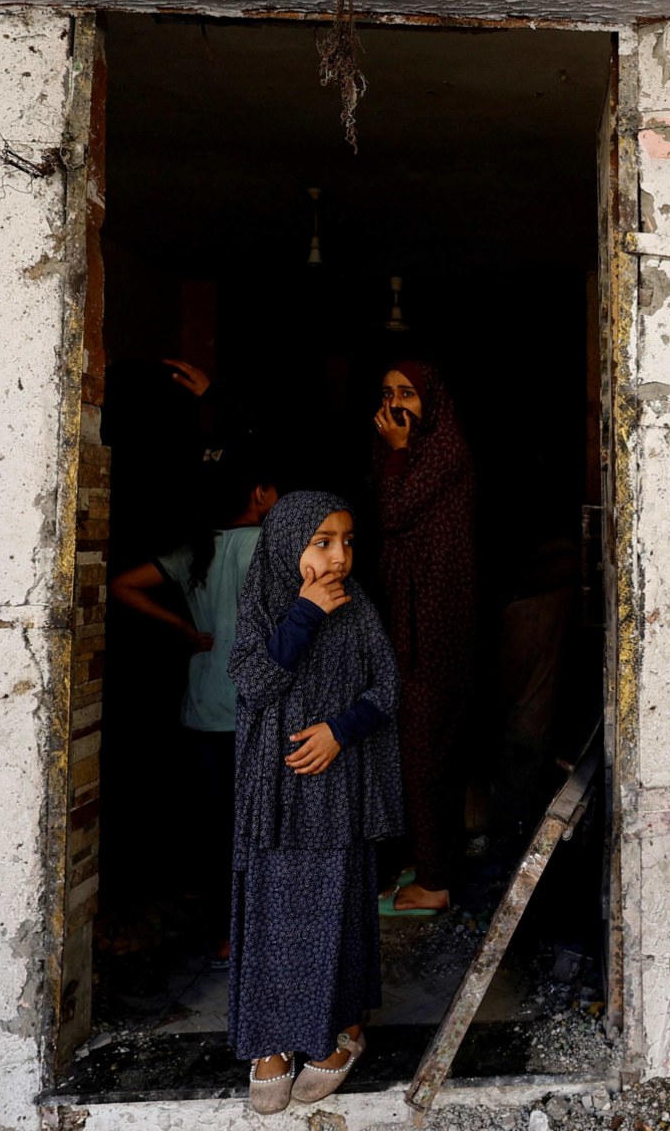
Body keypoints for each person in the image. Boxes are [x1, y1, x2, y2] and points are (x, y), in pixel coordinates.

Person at [226, 492, 404, 1113]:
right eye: (322, 542)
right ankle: (270, 1041)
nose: (338, 557)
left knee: (337, 907)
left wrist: (339, 731)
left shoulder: (357, 612)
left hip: (335, 790)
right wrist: (303, 612)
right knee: (273, 911)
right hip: (273, 795)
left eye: (348, 542)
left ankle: (345, 1033)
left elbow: (387, 690)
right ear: (286, 547)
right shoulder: (266, 606)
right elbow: (253, 682)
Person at [107, 457, 278, 962]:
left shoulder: (197, 550)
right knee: (264, 824)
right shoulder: (273, 548)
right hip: (257, 707)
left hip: (205, 707)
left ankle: (230, 934)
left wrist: (183, 628)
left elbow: (122, 584)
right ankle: (264, 930)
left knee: (221, 827)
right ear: (260, 493)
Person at [371, 361, 477, 917]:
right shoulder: (418, 451)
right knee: (424, 748)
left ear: (430, 401)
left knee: (423, 752)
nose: (395, 406)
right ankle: (434, 861)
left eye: (407, 394)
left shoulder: (439, 451)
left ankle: (434, 882)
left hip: (433, 630)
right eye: (387, 394)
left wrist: (395, 452)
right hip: (417, 624)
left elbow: (391, 513)